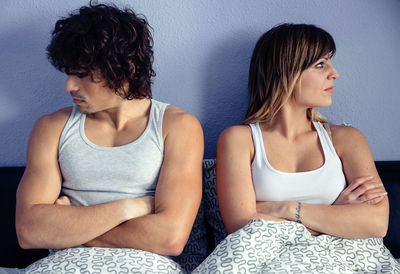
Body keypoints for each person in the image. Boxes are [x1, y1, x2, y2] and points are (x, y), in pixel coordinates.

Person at [193, 23, 399, 273]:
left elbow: (376, 223)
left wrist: (285, 208)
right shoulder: (239, 139)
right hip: (265, 261)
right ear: (287, 71)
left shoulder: (346, 139)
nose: (335, 74)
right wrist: (334, 215)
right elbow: (240, 224)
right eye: (321, 64)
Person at [15, 2, 203, 272]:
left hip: (145, 267)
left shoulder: (177, 126)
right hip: (65, 266)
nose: (69, 85)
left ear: (126, 71)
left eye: (82, 75)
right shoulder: (51, 127)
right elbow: (29, 231)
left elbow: (170, 238)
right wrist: (131, 207)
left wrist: (69, 226)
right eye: (69, 72)